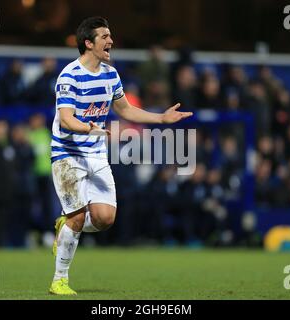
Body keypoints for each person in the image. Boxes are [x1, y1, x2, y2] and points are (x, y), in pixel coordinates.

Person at [49, 16, 192, 295]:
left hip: (96, 153)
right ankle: (59, 280)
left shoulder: (110, 74)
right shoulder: (69, 76)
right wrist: (89, 128)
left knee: (105, 218)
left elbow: (125, 110)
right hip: (68, 153)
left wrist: (160, 118)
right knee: (78, 217)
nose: (110, 41)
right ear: (88, 43)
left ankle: (66, 226)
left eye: (110, 35)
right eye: (104, 36)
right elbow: (65, 119)